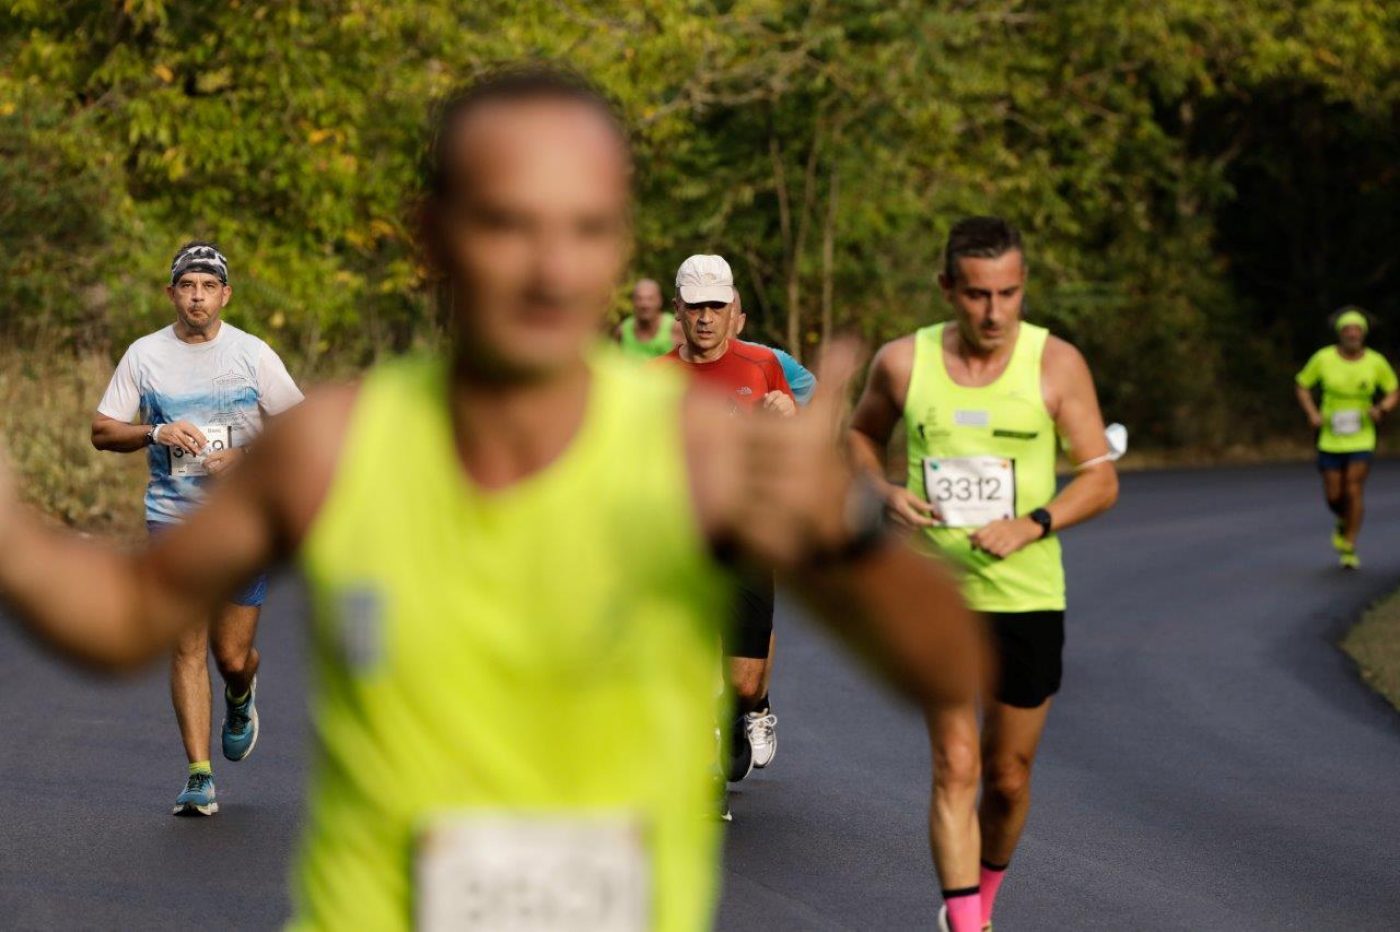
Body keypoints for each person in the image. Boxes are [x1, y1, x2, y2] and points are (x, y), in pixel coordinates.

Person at [0, 66, 981, 930]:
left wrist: (843, 531)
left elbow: (946, 662)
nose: (550, 267)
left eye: (586, 228)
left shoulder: (693, 446)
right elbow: (124, 614)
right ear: (434, 233)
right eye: (507, 222)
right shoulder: (333, 444)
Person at [849, 216, 1118, 932]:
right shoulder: (902, 363)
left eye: (1008, 293)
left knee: (1006, 778)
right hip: (934, 593)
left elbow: (1100, 479)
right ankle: (969, 925)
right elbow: (860, 434)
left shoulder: (1056, 364)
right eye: (976, 294)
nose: (994, 313)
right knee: (956, 765)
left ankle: (980, 901)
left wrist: (1033, 523)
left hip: (1027, 595)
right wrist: (882, 491)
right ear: (947, 288)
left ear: (1023, 286)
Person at [90, 242, 303, 816]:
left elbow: (300, 430)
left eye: (208, 287)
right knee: (184, 645)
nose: (197, 298)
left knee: (229, 655)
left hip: (241, 524)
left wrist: (247, 456)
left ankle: (241, 689)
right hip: (173, 520)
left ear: (225, 295)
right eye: (187, 286)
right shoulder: (144, 355)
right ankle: (199, 777)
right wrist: (154, 432)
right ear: (171, 294)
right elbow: (103, 430)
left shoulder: (252, 354)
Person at [660, 255, 795, 787]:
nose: (706, 317)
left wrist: (787, 419)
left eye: (716, 306)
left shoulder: (762, 365)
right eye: (696, 307)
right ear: (678, 309)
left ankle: (753, 704)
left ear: (732, 307)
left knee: (742, 680)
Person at [1294, 307, 1398, 569]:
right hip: (1330, 436)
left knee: (1353, 487)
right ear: (1340, 333)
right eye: (1347, 330)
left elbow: (1393, 390)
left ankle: (1349, 545)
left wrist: (1381, 409)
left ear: (1363, 333)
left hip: (1361, 436)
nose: (1352, 334)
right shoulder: (1323, 358)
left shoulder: (1375, 362)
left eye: (1357, 330)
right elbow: (1302, 385)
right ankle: (1343, 521)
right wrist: (1312, 413)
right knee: (1334, 495)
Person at [731, 291, 816, 405]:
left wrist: (790, 409)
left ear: (740, 323)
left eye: (727, 318)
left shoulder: (769, 359)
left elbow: (815, 393)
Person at [615, 277, 675, 359]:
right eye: (639, 299)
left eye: (650, 299)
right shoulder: (622, 330)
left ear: (660, 301)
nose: (644, 304)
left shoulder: (675, 327)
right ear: (633, 301)